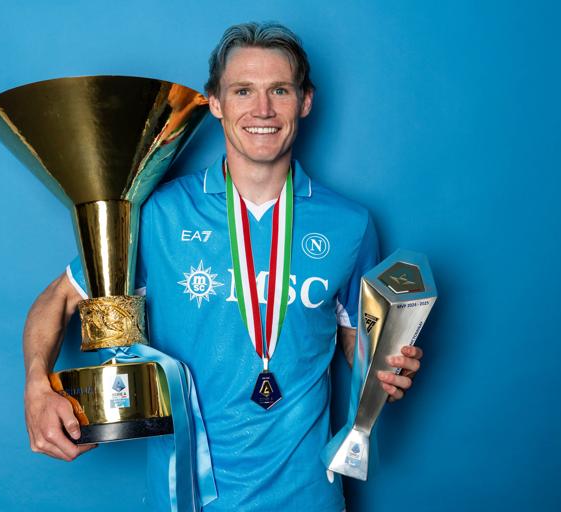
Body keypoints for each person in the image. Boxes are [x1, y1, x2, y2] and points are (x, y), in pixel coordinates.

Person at [22, 22, 424, 511]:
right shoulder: (159, 214)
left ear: (305, 101)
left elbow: (352, 342)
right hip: (189, 497)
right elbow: (58, 298)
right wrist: (37, 387)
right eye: (242, 91)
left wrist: (383, 373)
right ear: (215, 103)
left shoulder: (350, 224)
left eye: (280, 90)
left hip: (309, 495)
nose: (262, 110)